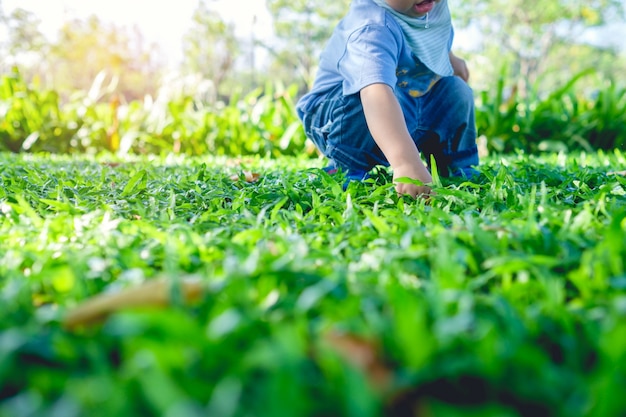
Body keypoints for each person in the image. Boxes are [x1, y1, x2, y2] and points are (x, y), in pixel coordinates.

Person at [296, 0, 479, 199]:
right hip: (341, 116)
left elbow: (430, 43)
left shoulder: (432, 8)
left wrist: (450, 60)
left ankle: (453, 165)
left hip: (404, 103)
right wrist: (406, 163)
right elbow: (375, 93)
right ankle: (348, 165)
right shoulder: (372, 26)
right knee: (369, 92)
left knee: (455, 88)